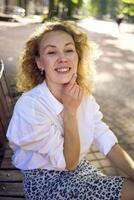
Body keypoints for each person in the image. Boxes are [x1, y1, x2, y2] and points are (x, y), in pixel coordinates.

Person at [6, 20, 134, 200]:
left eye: (69, 50)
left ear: (78, 56)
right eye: (51, 52)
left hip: (79, 170)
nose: (62, 58)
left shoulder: (82, 96)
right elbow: (69, 163)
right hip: (47, 185)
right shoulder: (30, 107)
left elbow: (106, 141)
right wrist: (70, 111)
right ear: (39, 62)